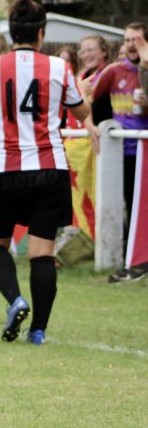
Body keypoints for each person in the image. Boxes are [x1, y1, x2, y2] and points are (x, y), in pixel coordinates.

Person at [0, 0, 97, 345]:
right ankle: (38, 330)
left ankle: (15, 299)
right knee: (42, 254)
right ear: (41, 34)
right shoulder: (58, 67)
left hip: (6, 168)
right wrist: (87, 95)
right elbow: (80, 112)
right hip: (49, 169)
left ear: (12, 32)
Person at [95, 24, 148, 282]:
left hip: (145, 151)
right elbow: (85, 92)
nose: (131, 44)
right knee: (127, 204)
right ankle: (131, 260)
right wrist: (90, 126)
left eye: (136, 40)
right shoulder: (114, 71)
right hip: (122, 153)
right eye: (127, 40)